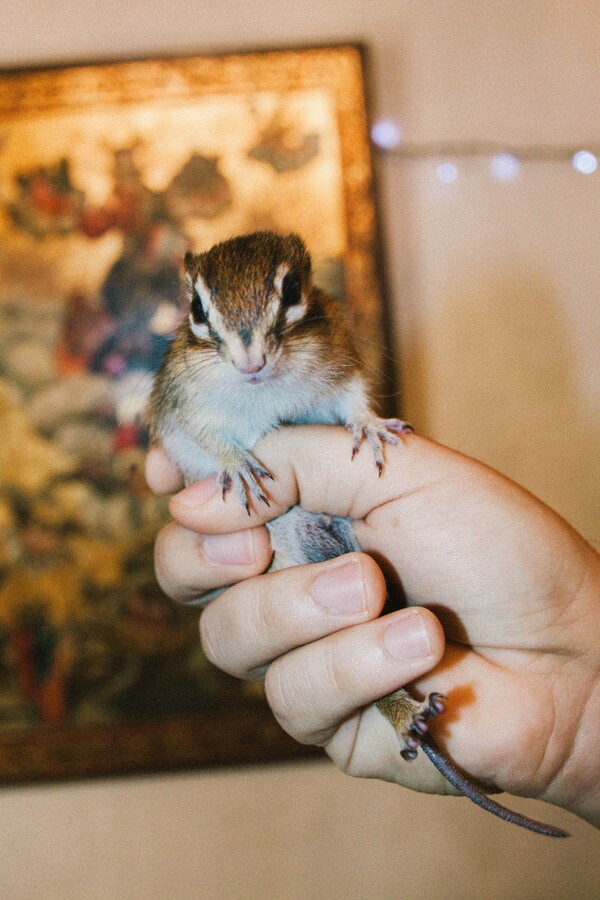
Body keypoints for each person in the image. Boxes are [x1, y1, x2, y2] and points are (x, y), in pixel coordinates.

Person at [145, 426, 600, 829]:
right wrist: (575, 732)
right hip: (293, 545)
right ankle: (403, 712)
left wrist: (581, 701)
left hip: (326, 530)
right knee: (347, 631)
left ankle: (405, 713)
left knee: (353, 619)